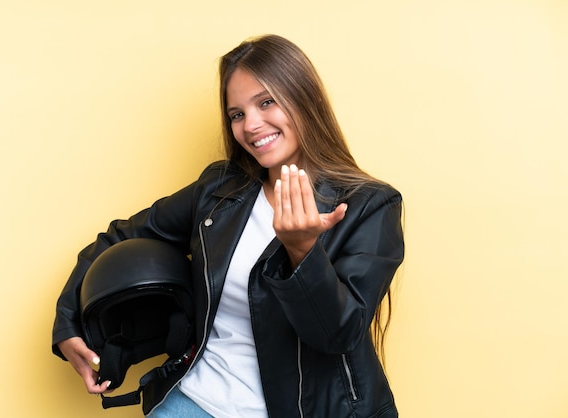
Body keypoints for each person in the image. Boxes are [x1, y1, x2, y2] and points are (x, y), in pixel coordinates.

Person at [52, 34, 404, 418]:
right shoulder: (221, 188)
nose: (251, 126)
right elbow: (120, 237)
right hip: (199, 401)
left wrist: (302, 252)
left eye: (266, 102)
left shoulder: (370, 204)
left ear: (305, 98)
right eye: (237, 114)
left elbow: (337, 334)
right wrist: (68, 322)